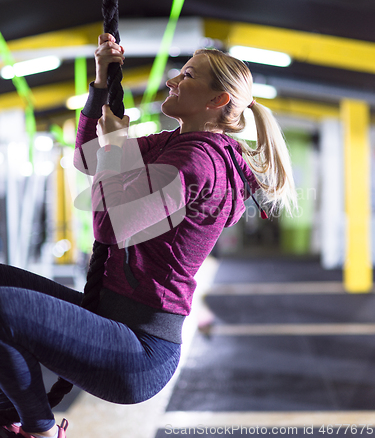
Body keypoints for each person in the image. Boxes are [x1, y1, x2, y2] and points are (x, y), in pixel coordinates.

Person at [0, 33, 297, 438]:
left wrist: (117, 146)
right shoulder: (180, 142)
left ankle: (38, 428)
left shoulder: (199, 162)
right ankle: (10, 416)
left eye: (188, 75)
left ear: (217, 101)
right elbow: (87, 156)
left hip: (138, 351)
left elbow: (109, 226)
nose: (173, 80)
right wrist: (102, 83)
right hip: (111, 317)